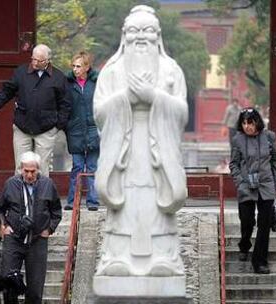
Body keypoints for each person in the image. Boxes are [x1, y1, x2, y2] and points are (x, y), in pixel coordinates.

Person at [93, 5, 187, 276]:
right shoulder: (111, 71)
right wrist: (126, 99)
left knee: (157, 201)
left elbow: (181, 113)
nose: (141, 37)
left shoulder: (171, 69)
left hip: (158, 150)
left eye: (148, 31)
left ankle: (164, 258)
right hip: (124, 149)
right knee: (125, 204)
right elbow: (99, 113)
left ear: (158, 36)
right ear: (124, 36)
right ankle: (116, 257)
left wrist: (154, 97)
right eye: (134, 31)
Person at [0, 44, 71, 177]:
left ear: (47, 60)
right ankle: (19, 197)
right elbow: (7, 90)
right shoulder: (21, 72)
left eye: (39, 61)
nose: (35, 63)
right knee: (20, 167)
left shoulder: (58, 77)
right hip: (22, 126)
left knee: (42, 168)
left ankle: (41, 198)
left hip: (46, 129)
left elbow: (65, 104)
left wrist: (58, 125)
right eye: (33, 59)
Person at [0, 151, 62, 303]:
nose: (29, 175)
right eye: (26, 171)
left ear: (38, 170)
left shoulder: (47, 184)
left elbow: (56, 211)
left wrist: (49, 229)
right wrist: (4, 226)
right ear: (20, 169)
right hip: (14, 239)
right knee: (8, 283)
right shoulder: (11, 183)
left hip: (37, 241)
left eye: (33, 171)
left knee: (35, 289)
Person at [229, 108, 276, 274]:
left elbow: (275, 163)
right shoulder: (238, 139)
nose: (247, 126)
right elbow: (234, 164)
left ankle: (259, 261)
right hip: (246, 186)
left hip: (266, 186)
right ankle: (244, 245)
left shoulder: (269, 137)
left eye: (250, 123)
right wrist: (240, 182)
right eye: (244, 123)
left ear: (257, 122)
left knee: (264, 224)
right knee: (247, 221)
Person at [63, 51, 99, 211]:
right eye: (74, 66)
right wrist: (67, 124)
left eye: (79, 66)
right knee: (77, 167)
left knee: (92, 167)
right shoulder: (68, 83)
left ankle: (92, 201)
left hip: (93, 129)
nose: (75, 69)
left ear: (86, 67)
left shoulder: (96, 83)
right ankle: (72, 201)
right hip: (75, 131)